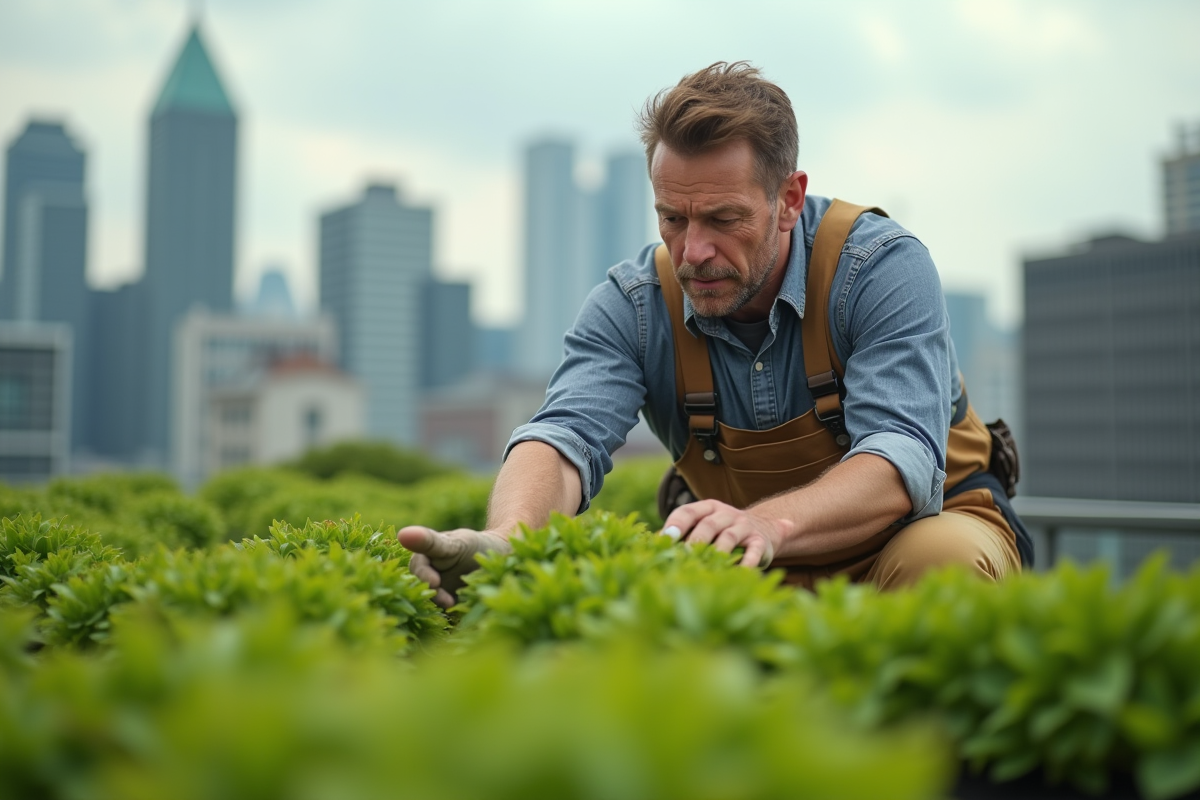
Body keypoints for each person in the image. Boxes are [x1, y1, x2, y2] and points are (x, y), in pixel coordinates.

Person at [400, 61, 1031, 610]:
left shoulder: (879, 268)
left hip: (910, 538)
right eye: (671, 218)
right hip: (746, 562)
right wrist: (507, 542)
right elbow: (562, 437)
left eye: (724, 219)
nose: (693, 250)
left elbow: (901, 460)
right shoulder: (635, 306)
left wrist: (766, 525)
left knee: (940, 563)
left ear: (788, 198)